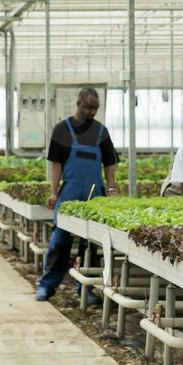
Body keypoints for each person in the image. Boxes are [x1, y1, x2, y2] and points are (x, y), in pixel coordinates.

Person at [34, 87, 120, 302]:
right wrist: (54, 193)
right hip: (70, 192)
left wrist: (111, 188)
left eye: (95, 108)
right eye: (88, 107)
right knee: (60, 240)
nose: (92, 112)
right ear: (78, 104)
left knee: (89, 244)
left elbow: (109, 163)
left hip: (94, 196)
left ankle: (85, 288)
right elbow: (56, 165)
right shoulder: (62, 130)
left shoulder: (101, 131)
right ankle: (47, 285)